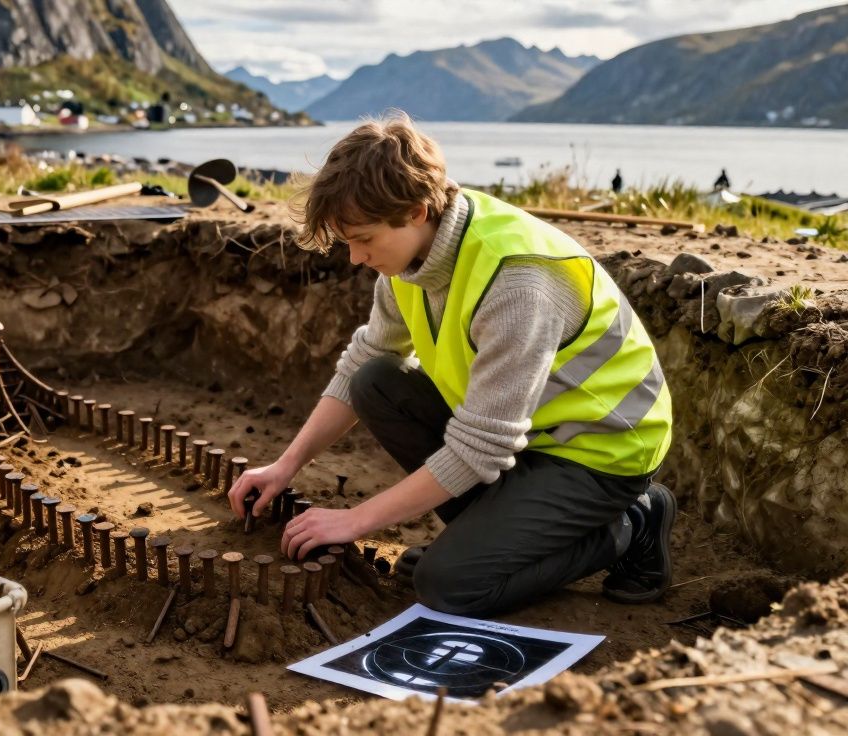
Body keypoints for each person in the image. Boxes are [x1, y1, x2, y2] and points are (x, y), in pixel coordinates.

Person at [227, 111, 675, 617]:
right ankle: (489, 541)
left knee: (449, 586)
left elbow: (482, 446)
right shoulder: (412, 258)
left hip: (601, 451)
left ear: (416, 211)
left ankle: (634, 520)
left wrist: (353, 521)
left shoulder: (517, 281)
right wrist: (285, 465)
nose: (354, 258)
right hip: (525, 438)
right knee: (377, 381)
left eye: (364, 239)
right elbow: (365, 360)